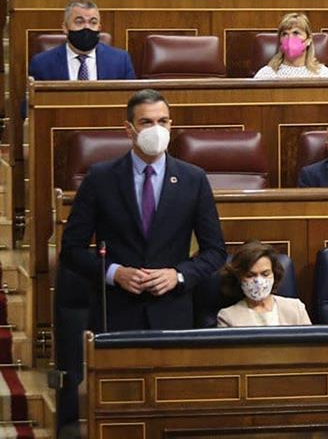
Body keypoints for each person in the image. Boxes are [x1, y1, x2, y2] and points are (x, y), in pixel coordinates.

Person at [60, 89, 226, 331]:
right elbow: (72, 250)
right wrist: (114, 273)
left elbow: (215, 251)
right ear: (129, 129)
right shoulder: (100, 178)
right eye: (146, 122)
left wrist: (177, 275)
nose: (156, 129)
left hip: (172, 314)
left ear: (171, 126)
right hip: (116, 313)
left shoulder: (193, 179)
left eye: (162, 121)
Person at [28, 0, 136, 81]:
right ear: (65, 27)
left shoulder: (121, 60)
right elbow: (29, 108)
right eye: (79, 22)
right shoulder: (42, 63)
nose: (86, 27)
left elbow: (132, 103)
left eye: (93, 22)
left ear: (99, 28)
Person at [216, 241, 311, 327]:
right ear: (239, 278)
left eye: (265, 274)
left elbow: (311, 345)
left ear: (274, 273)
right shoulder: (228, 317)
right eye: (250, 275)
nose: (258, 281)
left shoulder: (296, 309)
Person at [253, 12, 328, 79]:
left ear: (308, 40)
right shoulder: (265, 75)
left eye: (296, 33)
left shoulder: (323, 75)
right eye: (284, 34)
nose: (290, 38)